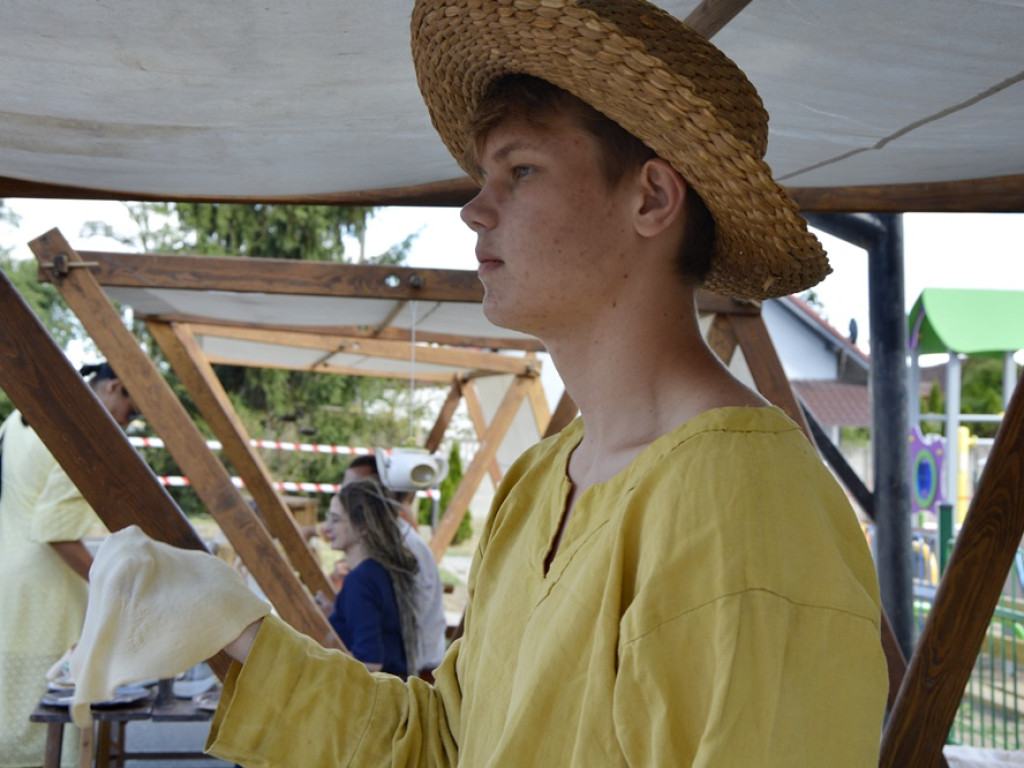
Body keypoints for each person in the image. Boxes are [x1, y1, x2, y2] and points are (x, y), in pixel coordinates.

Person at [74, 2, 889, 765]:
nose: (474, 208)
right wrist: (231, 624)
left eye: (520, 171)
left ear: (650, 197)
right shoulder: (541, 479)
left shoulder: (742, 496)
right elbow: (444, 740)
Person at [0, 361, 137, 767]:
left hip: (10, 577)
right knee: (49, 715)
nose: (127, 423)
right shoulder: (76, 432)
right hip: (47, 592)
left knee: (13, 707)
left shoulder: (20, 418)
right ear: (114, 387)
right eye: (131, 412)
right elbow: (56, 531)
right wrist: (110, 582)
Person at [341, 454, 448, 676]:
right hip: (413, 667)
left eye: (353, 489)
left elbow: (372, 656)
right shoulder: (396, 537)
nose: (344, 497)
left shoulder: (397, 543)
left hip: (415, 673)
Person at [317, 479, 420, 677]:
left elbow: (370, 662)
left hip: (377, 693)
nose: (327, 528)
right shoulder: (379, 571)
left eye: (336, 520)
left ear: (363, 527)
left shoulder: (360, 580)